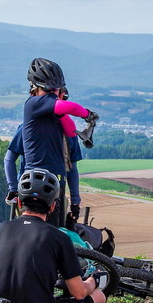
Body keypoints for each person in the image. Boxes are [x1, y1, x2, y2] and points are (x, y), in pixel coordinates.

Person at [0, 168, 106, 303]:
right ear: (53, 206)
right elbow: (78, 292)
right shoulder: (59, 238)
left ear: (18, 203)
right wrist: (93, 281)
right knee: (98, 296)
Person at [19, 58, 97, 227]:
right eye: (53, 91)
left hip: (55, 179)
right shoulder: (33, 104)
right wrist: (88, 114)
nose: (55, 94)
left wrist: (64, 115)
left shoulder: (52, 111)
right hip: (37, 178)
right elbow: (71, 107)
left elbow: (70, 131)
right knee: (43, 229)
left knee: (55, 230)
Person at [4, 87, 84, 225]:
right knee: (54, 234)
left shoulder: (27, 127)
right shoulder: (69, 134)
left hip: (27, 188)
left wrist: (13, 189)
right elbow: (73, 170)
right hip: (54, 189)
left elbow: (9, 159)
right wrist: (75, 202)